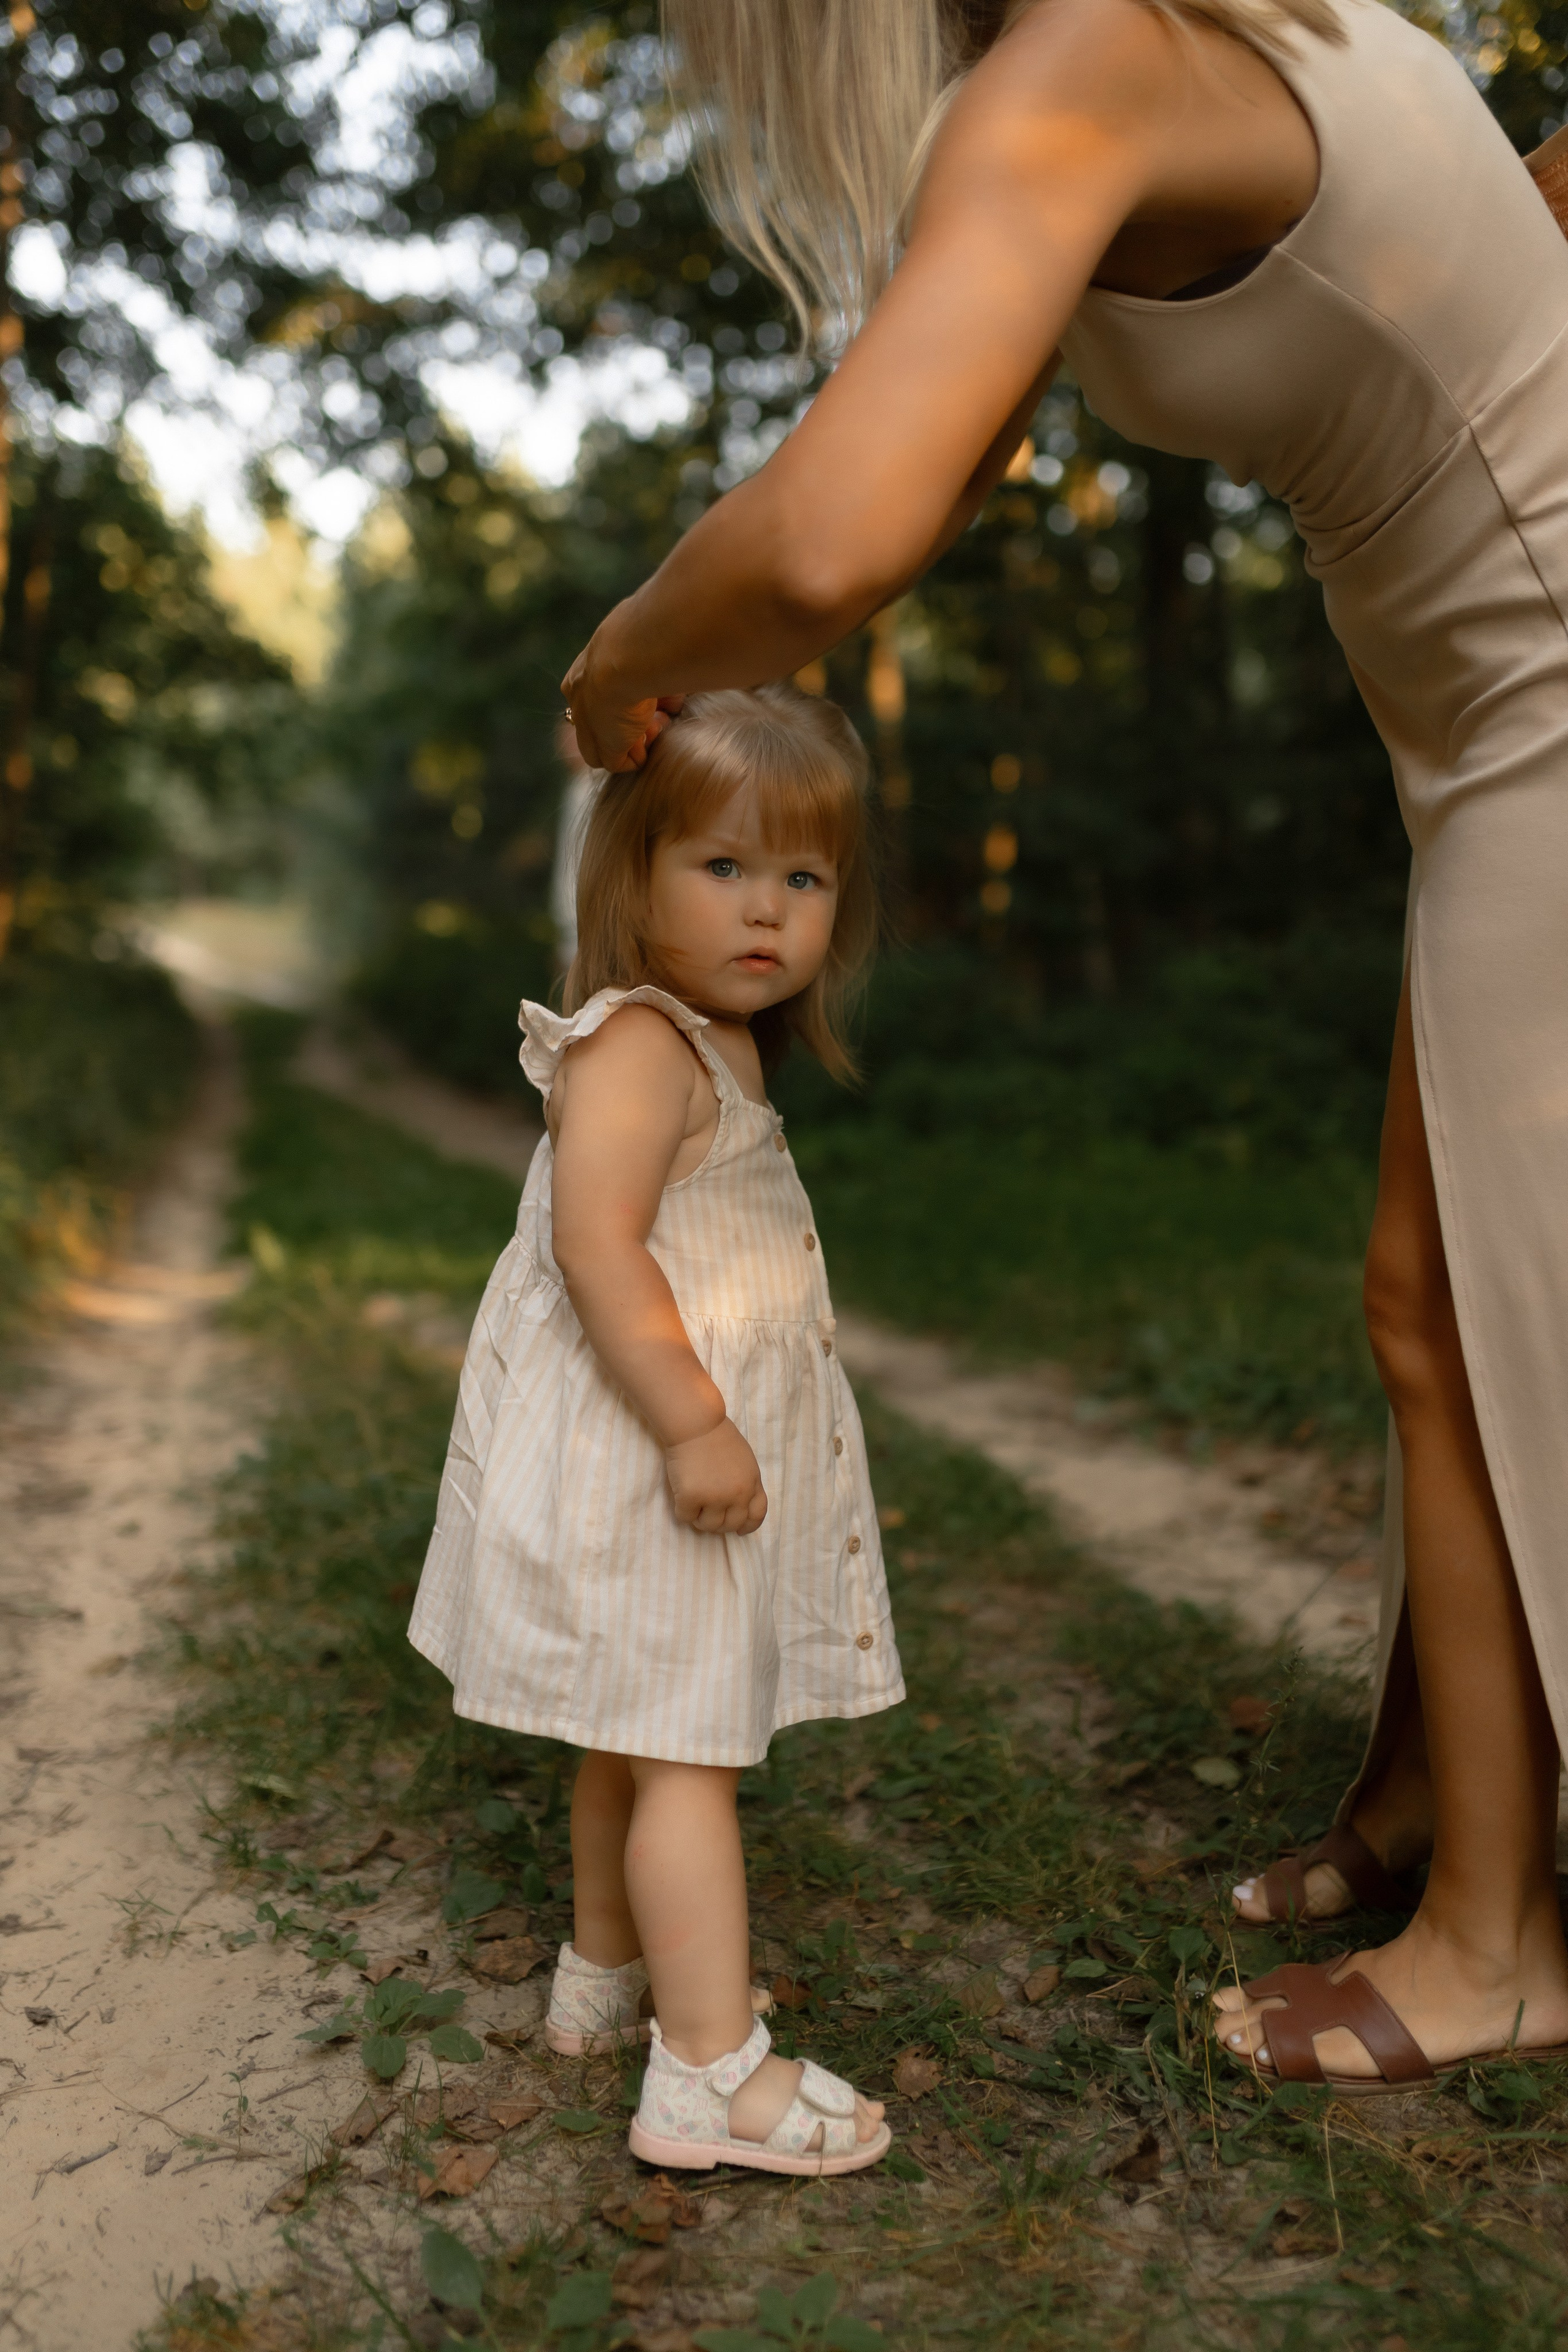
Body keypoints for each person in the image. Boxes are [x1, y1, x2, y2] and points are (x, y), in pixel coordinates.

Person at [560, 0, 1568, 2090]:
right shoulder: (1254, 32)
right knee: (1432, 1300)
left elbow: (836, 540)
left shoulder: (1089, 67)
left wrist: (626, 656)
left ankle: (1498, 1942)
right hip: (1481, 737)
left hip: (1545, 712)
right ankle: (1432, 1804)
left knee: (1462, 1320)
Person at [409, 683, 900, 2171]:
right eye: (723, 866)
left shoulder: (713, 1039)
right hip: (650, 1454)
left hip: (665, 1456)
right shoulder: (634, 1043)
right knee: (686, 1751)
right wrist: (695, 1424)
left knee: (630, 1729)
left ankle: (602, 1979)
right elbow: (595, 1247)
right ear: (631, 874)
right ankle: (704, 2070)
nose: (767, 910)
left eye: (801, 879)